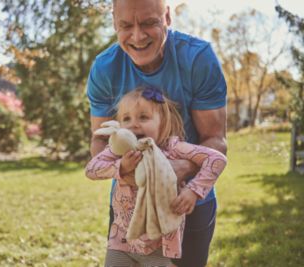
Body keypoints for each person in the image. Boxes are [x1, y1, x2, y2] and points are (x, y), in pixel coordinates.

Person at [86, 0, 227, 266]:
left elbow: (215, 140)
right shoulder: (104, 69)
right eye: (126, 25)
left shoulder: (197, 58)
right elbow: (100, 140)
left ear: (168, 17)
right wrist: (122, 171)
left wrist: (175, 171)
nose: (137, 36)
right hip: (128, 209)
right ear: (115, 22)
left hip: (187, 204)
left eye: (149, 22)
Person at [85, 87, 227, 266]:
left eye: (143, 117)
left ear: (163, 122)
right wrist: (121, 167)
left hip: (160, 247)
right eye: (126, 118)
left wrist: (193, 190)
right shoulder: (118, 151)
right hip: (121, 241)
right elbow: (91, 169)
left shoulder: (174, 149)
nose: (134, 124)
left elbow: (217, 158)